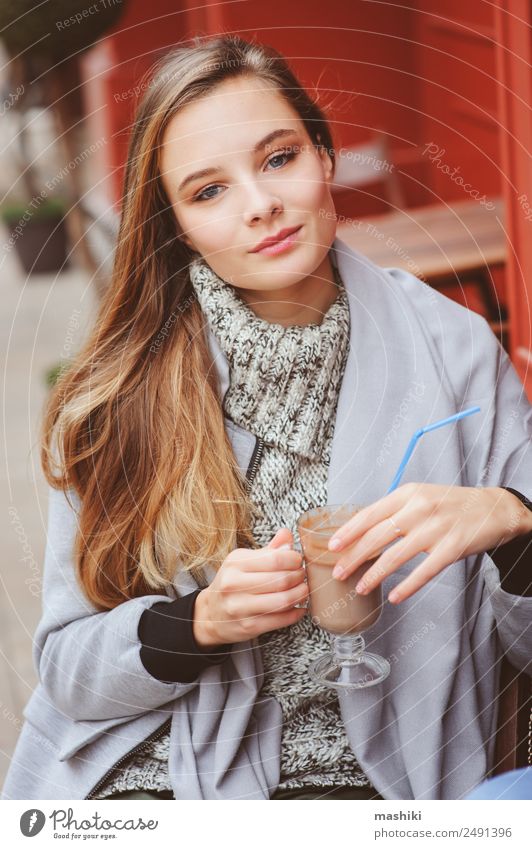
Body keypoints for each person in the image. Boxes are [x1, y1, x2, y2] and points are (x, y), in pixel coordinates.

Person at [2, 34, 531, 802]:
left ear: (323, 157)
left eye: (278, 157)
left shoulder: (455, 353)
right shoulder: (123, 390)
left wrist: (512, 523)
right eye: (208, 190)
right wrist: (197, 621)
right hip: (160, 777)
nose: (260, 206)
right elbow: (71, 672)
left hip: (374, 781)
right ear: (177, 223)